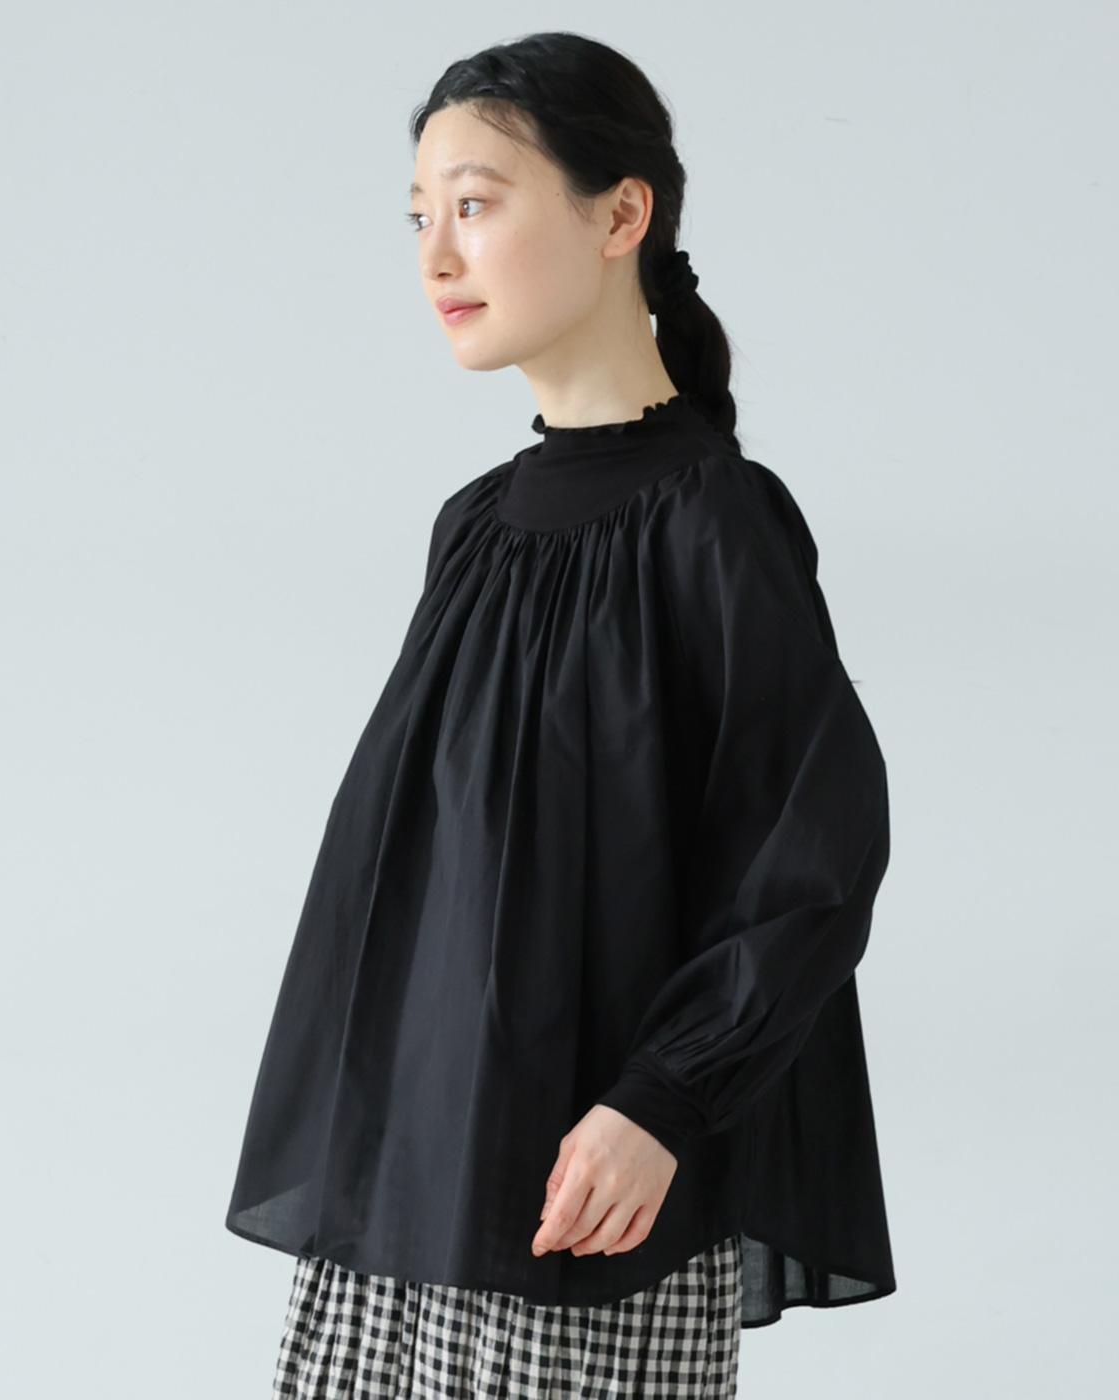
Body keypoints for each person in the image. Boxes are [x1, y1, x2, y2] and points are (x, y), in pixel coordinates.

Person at [226, 31, 895, 1399]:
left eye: (474, 204)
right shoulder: (474, 531)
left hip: (590, 1206)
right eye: (420, 217)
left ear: (621, 213)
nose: (437, 257)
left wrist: (664, 1102)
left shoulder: (716, 522)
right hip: (407, 1188)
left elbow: (812, 858)